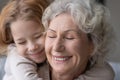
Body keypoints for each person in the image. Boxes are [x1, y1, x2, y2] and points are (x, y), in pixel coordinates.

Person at [42, 0, 115, 80]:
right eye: (51, 36)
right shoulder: (30, 69)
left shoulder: (103, 75)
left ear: (93, 45)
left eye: (69, 37)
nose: (56, 47)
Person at [0, 0, 50, 80]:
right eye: (21, 42)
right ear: (13, 40)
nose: (32, 47)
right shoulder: (17, 58)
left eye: (38, 36)